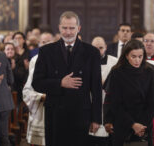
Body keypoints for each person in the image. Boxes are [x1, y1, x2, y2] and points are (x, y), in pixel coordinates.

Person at [32, 11, 102, 146]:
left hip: (81, 114)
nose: (68, 32)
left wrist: (96, 119)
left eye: (71, 28)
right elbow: (37, 83)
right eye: (64, 28)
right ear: (59, 28)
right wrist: (60, 83)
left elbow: (97, 89)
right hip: (55, 114)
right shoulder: (46, 51)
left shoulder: (91, 52)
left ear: (79, 28)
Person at [103, 40, 154, 146]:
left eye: (140, 56)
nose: (137, 60)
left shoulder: (150, 72)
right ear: (126, 55)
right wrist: (132, 124)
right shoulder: (117, 72)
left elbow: (152, 103)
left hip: (144, 124)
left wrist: (141, 126)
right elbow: (115, 103)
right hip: (122, 121)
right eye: (133, 56)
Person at [22, 33, 53, 146]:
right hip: (40, 107)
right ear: (40, 44)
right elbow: (28, 89)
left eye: (49, 41)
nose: (46, 44)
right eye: (44, 42)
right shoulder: (35, 60)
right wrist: (40, 96)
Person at [89, 36, 117, 146]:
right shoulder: (84, 62)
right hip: (91, 104)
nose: (97, 51)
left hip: (109, 104)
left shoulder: (114, 62)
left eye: (100, 48)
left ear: (105, 47)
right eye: (95, 48)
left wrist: (106, 83)